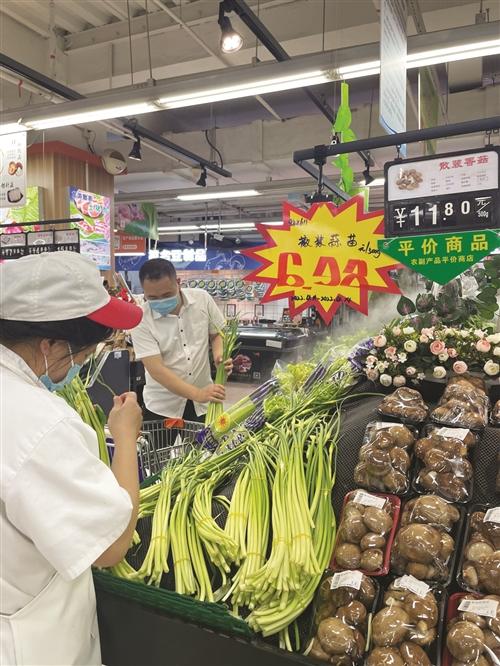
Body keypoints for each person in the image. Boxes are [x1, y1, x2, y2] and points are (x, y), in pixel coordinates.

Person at [0, 251, 144, 666]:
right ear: (49, 345)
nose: (80, 365)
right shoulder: (39, 423)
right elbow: (110, 545)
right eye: (80, 356)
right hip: (27, 641)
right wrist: (125, 437)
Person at [131, 258, 233, 421]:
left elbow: (216, 333)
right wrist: (197, 394)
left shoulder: (202, 300)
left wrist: (219, 357)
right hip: (162, 406)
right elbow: (156, 369)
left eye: (166, 295)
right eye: (152, 298)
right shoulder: (140, 319)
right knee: (159, 446)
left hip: (204, 404)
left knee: (203, 446)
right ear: (144, 292)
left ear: (178, 282)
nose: (160, 301)